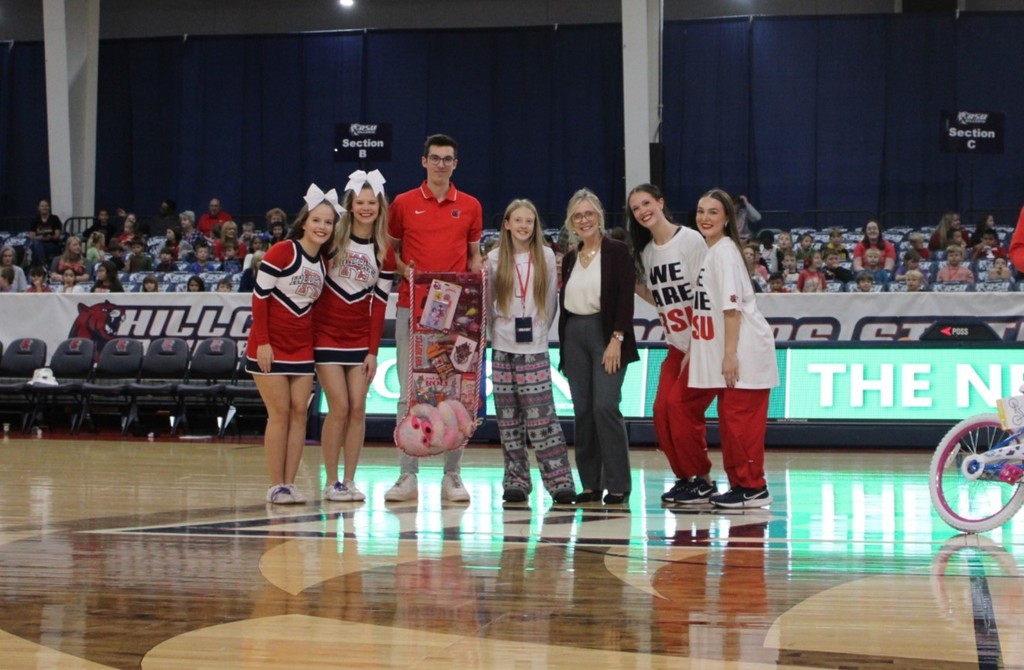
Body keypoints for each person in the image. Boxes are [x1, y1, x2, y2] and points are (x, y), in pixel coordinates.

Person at [384, 133, 483, 504]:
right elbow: (389, 253)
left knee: (455, 393)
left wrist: (478, 281)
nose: (442, 164)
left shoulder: (471, 205)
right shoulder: (403, 204)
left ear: (455, 164)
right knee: (410, 393)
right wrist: (404, 269)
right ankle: (407, 475)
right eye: (435, 158)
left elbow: (473, 257)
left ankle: (452, 475)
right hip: (414, 309)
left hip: (458, 315)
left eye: (448, 159)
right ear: (423, 161)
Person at [679, 188, 778, 508]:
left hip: (746, 350)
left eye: (712, 212)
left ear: (727, 219)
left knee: (741, 423)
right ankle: (740, 484)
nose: (704, 218)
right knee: (730, 421)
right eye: (700, 211)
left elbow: (731, 310)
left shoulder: (725, 251)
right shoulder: (712, 251)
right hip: (733, 350)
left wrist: (730, 354)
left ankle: (754, 486)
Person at [247, 183, 338, 505]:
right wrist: (262, 343)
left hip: (302, 348)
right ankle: (275, 485)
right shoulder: (282, 251)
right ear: (304, 221)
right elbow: (259, 299)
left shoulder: (323, 263)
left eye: (328, 222)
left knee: (300, 412)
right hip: (270, 345)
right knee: (280, 413)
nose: (322, 227)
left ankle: (290, 483)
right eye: (317, 220)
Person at [313, 169, 396, 503]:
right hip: (327, 336)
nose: (365, 208)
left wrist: (373, 351)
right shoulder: (333, 239)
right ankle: (331, 481)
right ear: (350, 204)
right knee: (340, 407)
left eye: (371, 203)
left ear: (380, 207)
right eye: (360, 202)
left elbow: (379, 305)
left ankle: (350, 480)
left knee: (359, 408)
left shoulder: (385, 250)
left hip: (360, 339)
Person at [487, 198, 576, 505]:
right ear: (507, 224)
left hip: (534, 346)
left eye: (530, 221)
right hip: (501, 346)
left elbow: (551, 301)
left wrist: (538, 330)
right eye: (518, 220)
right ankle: (515, 479)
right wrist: (496, 332)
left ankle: (559, 479)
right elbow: (487, 304)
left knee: (542, 418)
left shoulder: (547, 257)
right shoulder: (494, 258)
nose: (524, 226)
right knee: (507, 418)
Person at [626, 183, 708, 504]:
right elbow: (659, 299)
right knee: (660, 410)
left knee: (679, 407)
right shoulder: (647, 253)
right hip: (675, 344)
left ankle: (702, 479)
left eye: (647, 203)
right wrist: (631, 285)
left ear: (661, 202)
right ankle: (685, 478)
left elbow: (707, 292)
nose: (643, 210)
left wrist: (698, 345)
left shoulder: (689, 239)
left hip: (702, 342)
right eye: (636, 208)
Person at [559, 188, 637, 505]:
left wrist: (616, 339)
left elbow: (624, 299)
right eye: (578, 215)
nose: (584, 219)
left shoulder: (617, 251)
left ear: (599, 216)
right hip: (574, 334)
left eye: (589, 213)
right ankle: (591, 483)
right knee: (583, 411)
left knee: (605, 406)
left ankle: (618, 482)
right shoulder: (569, 258)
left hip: (607, 333)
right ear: (571, 222)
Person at [27, 199, 63, 268]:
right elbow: (32, 236)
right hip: (38, 243)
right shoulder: (35, 220)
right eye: (42, 206)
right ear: (39, 208)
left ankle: (41, 264)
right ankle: (43, 263)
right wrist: (41, 238)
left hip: (51, 243)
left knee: (36, 248)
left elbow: (57, 235)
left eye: (46, 206)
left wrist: (50, 237)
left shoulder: (54, 219)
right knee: (36, 243)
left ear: (49, 207)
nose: (44, 208)